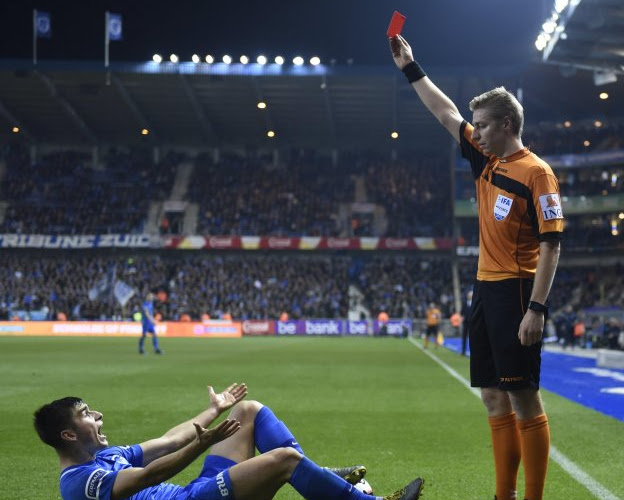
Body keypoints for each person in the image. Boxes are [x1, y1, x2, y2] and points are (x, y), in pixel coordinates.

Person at [390, 35, 563, 500]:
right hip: (485, 290)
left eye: (484, 125)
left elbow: (552, 245)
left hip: (519, 292)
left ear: (508, 124)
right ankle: (502, 495)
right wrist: (411, 67)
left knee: (523, 396)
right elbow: (445, 112)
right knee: (492, 396)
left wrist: (538, 308)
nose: (476, 132)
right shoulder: (485, 160)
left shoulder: (537, 173)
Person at [34, 383, 424, 500]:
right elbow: (149, 476)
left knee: (248, 410)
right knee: (285, 460)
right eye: (87, 414)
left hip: (195, 492)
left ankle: (318, 476)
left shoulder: (109, 455)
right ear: (68, 434)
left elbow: (172, 439)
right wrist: (202, 446)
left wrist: (216, 410)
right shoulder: (79, 483)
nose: (98, 416)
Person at [461, 290, 473, 356]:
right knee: (464, 337)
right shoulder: (465, 303)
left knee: (473, 338)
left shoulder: (474, 303)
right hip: (465, 323)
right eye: (469, 295)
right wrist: (462, 317)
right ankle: (463, 351)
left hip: (472, 323)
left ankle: (473, 352)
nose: (469, 296)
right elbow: (462, 312)